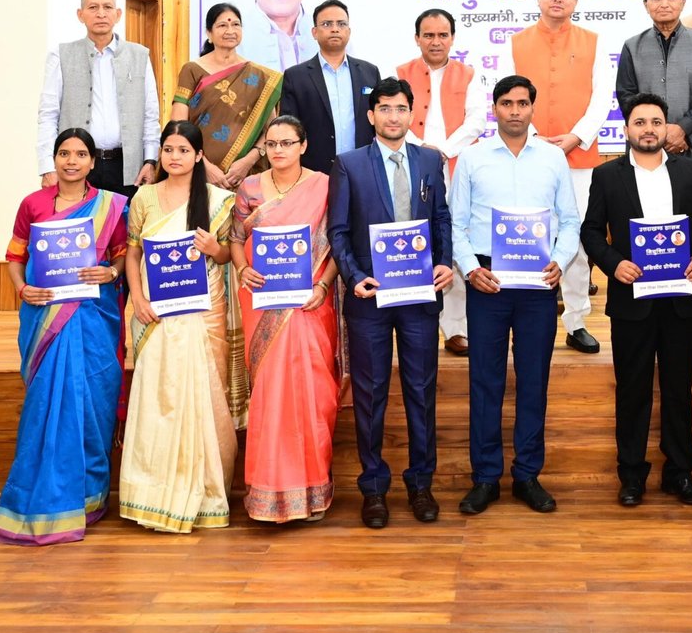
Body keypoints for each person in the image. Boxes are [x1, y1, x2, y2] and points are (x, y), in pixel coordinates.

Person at [580, 93, 692, 508]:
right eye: (640, 122)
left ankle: (680, 473)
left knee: (678, 390)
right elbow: (591, 231)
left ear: (666, 128)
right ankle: (631, 476)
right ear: (626, 129)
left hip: (680, 301)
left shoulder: (688, 170)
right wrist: (614, 264)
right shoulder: (607, 176)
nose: (648, 130)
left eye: (656, 122)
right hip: (632, 302)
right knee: (633, 391)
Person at [450, 75, 581, 516]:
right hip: (487, 280)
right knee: (484, 380)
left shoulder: (553, 158)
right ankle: (485, 478)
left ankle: (527, 475)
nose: (514, 111)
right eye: (506, 103)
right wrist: (471, 269)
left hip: (537, 282)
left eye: (522, 103)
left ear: (532, 108)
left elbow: (570, 220)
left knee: (533, 380)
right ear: (495, 109)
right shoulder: (472, 158)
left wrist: (559, 261)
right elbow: (456, 223)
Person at [329, 78, 455, 529]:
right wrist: (354, 276)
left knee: (421, 392)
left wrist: (445, 263)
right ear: (371, 116)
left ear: (411, 113)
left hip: (419, 296)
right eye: (384, 108)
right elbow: (338, 231)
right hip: (371, 298)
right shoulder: (348, 164)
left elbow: (441, 218)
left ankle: (421, 484)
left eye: (401, 108)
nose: (393, 116)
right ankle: (374, 488)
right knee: (370, 394)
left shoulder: (429, 160)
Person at [0, 128, 129, 545]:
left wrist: (111, 272)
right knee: (45, 407)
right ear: (53, 159)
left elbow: (123, 255)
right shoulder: (32, 204)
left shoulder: (111, 206)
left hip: (93, 319)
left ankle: (87, 499)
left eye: (80, 154)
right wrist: (22, 288)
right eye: (64, 153)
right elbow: (15, 256)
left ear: (92, 162)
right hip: (45, 318)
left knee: (92, 404)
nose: (72, 161)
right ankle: (42, 499)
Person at [119, 120, 238, 534]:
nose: (174, 156)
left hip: (203, 312)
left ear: (199, 155)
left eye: (184, 150)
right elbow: (132, 254)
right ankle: (154, 494)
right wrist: (138, 299)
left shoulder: (218, 200)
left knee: (205, 395)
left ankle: (205, 493)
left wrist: (214, 248)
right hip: (156, 311)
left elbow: (228, 256)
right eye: (168, 149)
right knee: (159, 394)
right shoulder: (144, 197)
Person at [231, 115, 341, 523]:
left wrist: (323, 286)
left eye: (287, 143)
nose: (278, 150)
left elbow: (336, 243)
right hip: (263, 303)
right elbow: (236, 239)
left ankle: (312, 490)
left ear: (303, 145)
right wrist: (243, 268)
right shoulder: (249, 188)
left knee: (313, 395)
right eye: (272, 144)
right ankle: (268, 492)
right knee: (270, 393)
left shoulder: (323, 186)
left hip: (310, 304)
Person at [614, 0, 692, 352]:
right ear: (646, 4)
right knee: (645, 231)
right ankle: (649, 315)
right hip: (644, 156)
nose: (664, 3)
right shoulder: (632, 47)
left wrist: (682, 129)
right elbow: (626, 97)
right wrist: (658, 132)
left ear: (683, 1)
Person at [510, 0, 612, 354]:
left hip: (579, 157)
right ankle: (527, 318)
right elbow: (508, 96)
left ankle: (576, 320)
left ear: (575, 1)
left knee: (578, 238)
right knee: (528, 236)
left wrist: (575, 137)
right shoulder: (515, 43)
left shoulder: (594, 42)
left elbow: (602, 98)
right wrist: (534, 137)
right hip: (527, 154)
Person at [397, 8, 488, 357]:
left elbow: (477, 121)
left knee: (453, 239)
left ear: (452, 38)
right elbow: (395, 117)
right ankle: (416, 322)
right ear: (417, 38)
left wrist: (443, 151)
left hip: (456, 166)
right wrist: (423, 151)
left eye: (442, 35)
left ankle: (455, 328)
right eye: (429, 35)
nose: (436, 41)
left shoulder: (469, 74)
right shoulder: (400, 73)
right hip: (411, 165)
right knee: (417, 239)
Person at [37, 0, 160, 197]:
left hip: (127, 168)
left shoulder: (139, 56)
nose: (101, 14)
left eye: (107, 7)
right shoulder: (61, 55)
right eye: (93, 7)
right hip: (77, 166)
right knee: (78, 218)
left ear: (118, 14)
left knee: (125, 219)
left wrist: (151, 161)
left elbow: (150, 114)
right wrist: (47, 166)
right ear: (80, 14)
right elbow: (48, 114)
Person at [172, 1, 283, 191]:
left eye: (236, 24)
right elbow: (178, 125)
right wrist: (204, 166)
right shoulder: (192, 70)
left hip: (245, 175)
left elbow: (271, 129)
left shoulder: (260, 77)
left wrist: (249, 160)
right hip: (197, 170)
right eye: (222, 25)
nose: (230, 30)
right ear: (209, 33)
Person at [279, 0, 380, 175]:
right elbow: (288, 129)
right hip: (313, 172)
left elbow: (379, 122)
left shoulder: (370, 72)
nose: (335, 29)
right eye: (327, 24)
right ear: (314, 32)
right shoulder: (295, 76)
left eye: (341, 24)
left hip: (363, 170)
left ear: (348, 31)